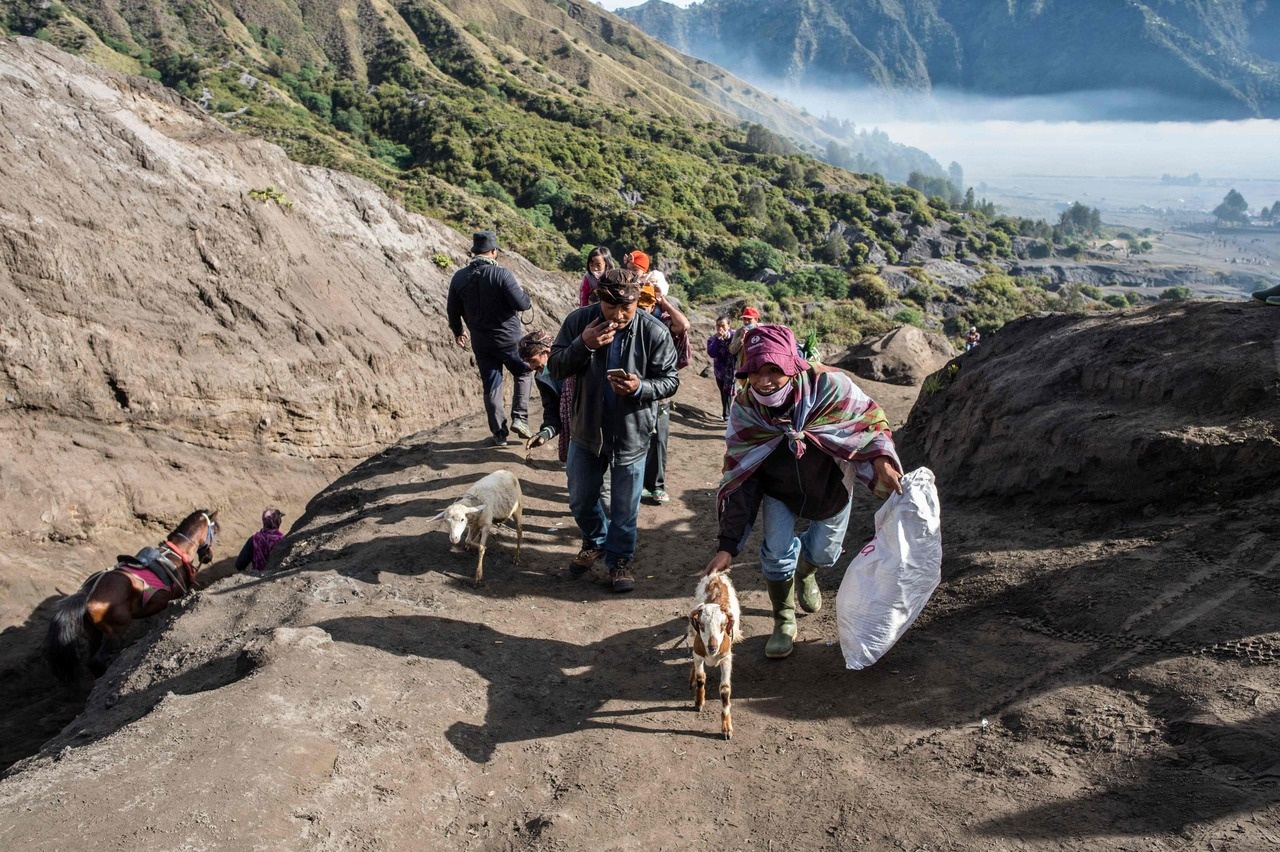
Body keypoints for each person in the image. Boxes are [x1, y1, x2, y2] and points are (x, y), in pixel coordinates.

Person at [704, 324, 903, 659]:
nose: (763, 380)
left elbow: (869, 421)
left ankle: (806, 572)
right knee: (776, 553)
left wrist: (881, 459)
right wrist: (728, 545)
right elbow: (742, 477)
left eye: (773, 370)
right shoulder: (746, 409)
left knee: (825, 553)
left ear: (793, 366)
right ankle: (784, 620)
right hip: (778, 489)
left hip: (831, 486)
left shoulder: (829, 386)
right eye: (755, 371)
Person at [549, 269, 680, 592]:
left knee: (625, 509)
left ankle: (619, 561)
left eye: (627, 308)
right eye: (611, 308)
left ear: (638, 302)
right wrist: (583, 344)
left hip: (632, 434)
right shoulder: (579, 322)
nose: (619, 316)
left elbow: (670, 380)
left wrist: (640, 387)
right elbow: (555, 366)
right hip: (586, 430)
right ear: (599, 299)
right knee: (580, 499)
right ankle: (595, 540)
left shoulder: (654, 330)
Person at [447, 231, 534, 447]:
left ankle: (499, 433)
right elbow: (522, 304)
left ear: (474, 252)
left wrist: (458, 331)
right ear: (494, 251)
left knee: (492, 383)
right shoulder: (502, 274)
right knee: (524, 371)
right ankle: (520, 418)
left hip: (481, 342)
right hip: (509, 339)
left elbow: (452, 310)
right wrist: (526, 296)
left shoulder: (459, 277)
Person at [636, 270, 691, 505]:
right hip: (634, 387)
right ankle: (636, 484)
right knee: (635, 437)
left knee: (659, 439)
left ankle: (656, 485)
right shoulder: (630, 318)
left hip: (659, 391)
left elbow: (684, 324)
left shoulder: (664, 320)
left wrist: (663, 301)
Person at [235, 508, 286, 573]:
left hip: (258, 576)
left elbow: (239, 565)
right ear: (278, 522)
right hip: (277, 576)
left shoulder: (254, 540)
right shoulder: (283, 540)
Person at [706, 315, 736, 421]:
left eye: (723, 325)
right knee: (723, 391)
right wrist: (718, 340)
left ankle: (726, 415)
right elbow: (712, 353)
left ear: (729, 326)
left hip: (732, 370)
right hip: (719, 370)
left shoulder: (735, 336)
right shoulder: (713, 339)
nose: (720, 328)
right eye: (718, 325)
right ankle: (726, 412)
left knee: (728, 391)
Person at [728, 305, 761, 381]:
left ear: (756, 319)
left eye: (749, 319)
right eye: (744, 319)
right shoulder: (739, 331)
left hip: (757, 369)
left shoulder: (762, 331)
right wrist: (741, 338)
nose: (746, 322)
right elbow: (732, 350)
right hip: (743, 369)